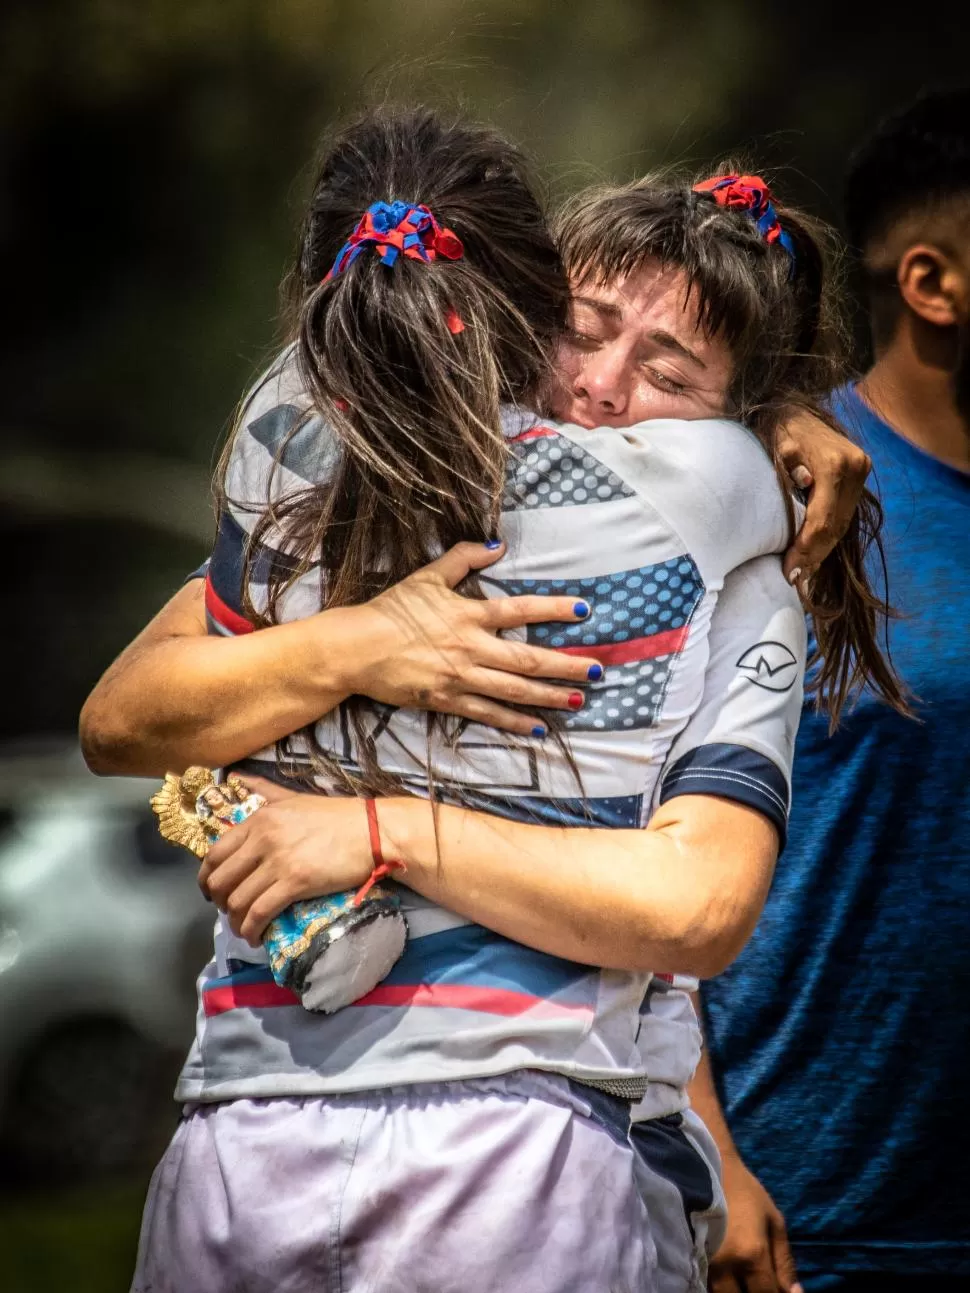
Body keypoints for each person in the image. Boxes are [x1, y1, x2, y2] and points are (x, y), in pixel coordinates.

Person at [80, 111, 892, 1293]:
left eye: (667, 375)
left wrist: (379, 833)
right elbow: (122, 719)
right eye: (580, 331)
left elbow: (697, 902)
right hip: (251, 1111)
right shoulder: (345, 493)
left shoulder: (732, 573)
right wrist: (366, 641)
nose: (603, 389)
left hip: (528, 1134)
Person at [692, 89, 970, 1293]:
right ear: (930, 281)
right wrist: (707, 1152)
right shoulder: (781, 503)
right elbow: (630, 823)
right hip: (812, 1227)